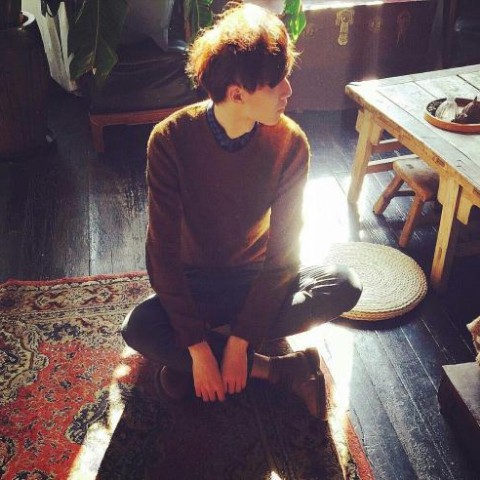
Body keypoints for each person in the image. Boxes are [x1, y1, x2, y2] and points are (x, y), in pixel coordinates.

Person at [121, 2, 362, 420]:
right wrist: (198, 349)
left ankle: (201, 355)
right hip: (195, 280)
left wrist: (238, 342)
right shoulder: (170, 140)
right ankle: (278, 370)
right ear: (237, 94)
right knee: (138, 327)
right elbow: (161, 255)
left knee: (344, 284)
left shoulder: (291, 143)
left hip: (254, 278)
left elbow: (283, 258)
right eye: (276, 82)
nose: (288, 90)